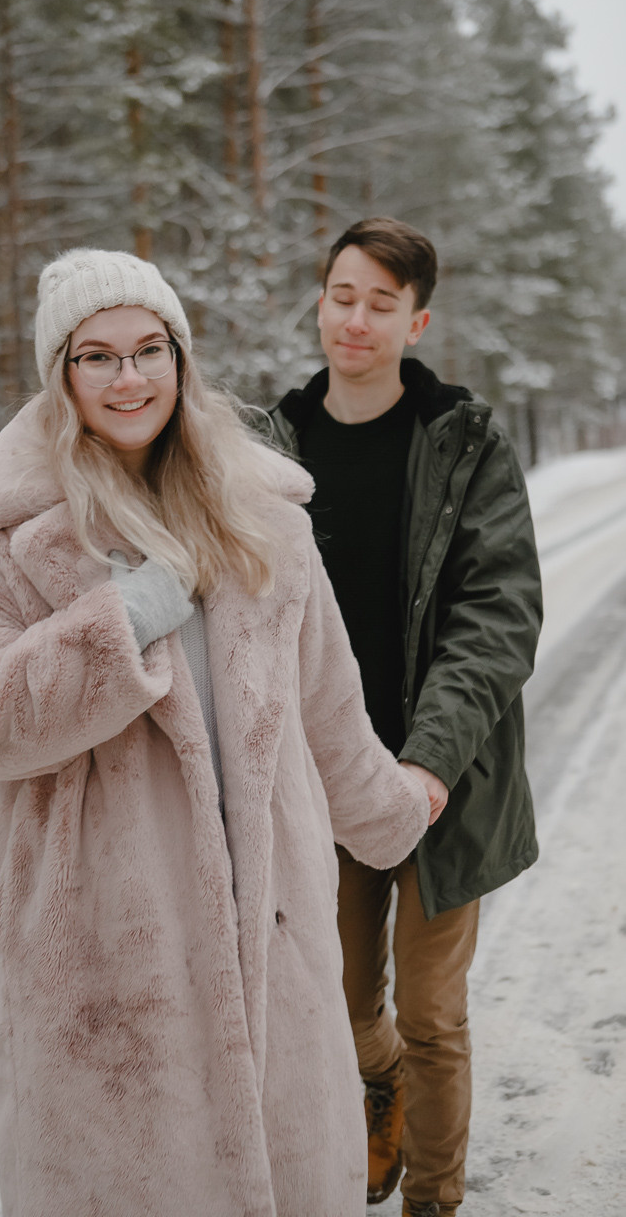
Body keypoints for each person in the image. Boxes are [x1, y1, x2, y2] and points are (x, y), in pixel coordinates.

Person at [0, 247, 433, 1217]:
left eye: (149, 349)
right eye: (96, 356)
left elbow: (323, 706)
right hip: (102, 961)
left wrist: (401, 811)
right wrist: (122, 618)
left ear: (181, 360)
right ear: (59, 372)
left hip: (271, 938)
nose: (129, 377)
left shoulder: (261, 515)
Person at [268, 218, 543, 1217]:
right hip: (318, 783)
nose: (355, 318)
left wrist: (425, 766)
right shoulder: (268, 448)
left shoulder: (465, 444)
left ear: (414, 319)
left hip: (441, 786)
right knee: (337, 1010)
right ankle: (374, 1081)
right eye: (342, 294)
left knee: (431, 1015)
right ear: (320, 298)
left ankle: (434, 1198)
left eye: (381, 303)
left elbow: (499, 611)